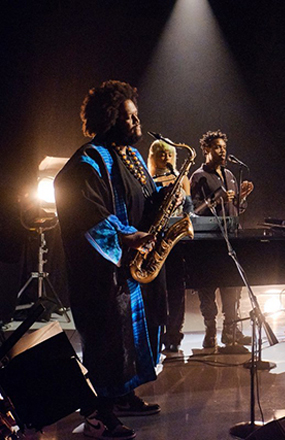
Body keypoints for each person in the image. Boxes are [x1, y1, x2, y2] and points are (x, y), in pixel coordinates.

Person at [55, 80, 162, 440]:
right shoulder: (89, 157)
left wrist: (167, 198)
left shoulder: (131, 157)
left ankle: (123, 396)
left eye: (136, 116)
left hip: (130, 268)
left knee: (128, 339)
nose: (137, 123)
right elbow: (78, 201)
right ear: (111, 118)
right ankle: (98, 416)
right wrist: (125, 235)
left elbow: (144, 198)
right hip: (102, 274)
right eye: (130, 117)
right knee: (106, 341)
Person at [189, 130, 254, 349]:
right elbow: (194, 211)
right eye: (217, 147)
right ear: (206, 149)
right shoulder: (198, 177)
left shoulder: (230, 175)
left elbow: (237, 209)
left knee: (233, 286)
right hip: (210, 242)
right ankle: (210, 331)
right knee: (207, 288)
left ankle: (230, 330)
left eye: (224, 147)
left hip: (231, 239)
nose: (222, 151)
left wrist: (242, 197)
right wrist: (216, 199)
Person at [147, 139, 193, 353]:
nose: (166, 158)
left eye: (169, 154)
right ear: (153, 156)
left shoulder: (181, 178)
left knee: (177, 289)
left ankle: (174, 334)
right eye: (161, 154)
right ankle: (155, 334)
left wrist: (183, 212)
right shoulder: (148, 179)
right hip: (156, 239)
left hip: (176, 240)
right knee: (156, 290)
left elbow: (189, 207)